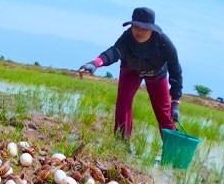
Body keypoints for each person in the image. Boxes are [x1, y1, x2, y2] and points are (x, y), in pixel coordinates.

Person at [78, 7, 183, 139]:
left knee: (165, 113)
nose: (138, 31)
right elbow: (114, 52)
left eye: (143, 28)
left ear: (152, 28)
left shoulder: (163, 43)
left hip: (156, 74)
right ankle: (121, 142)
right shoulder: (128, 36)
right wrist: (95, 63)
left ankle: (171, 149)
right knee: (123, 103)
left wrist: (175, 104)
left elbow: (176, 72)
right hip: (131, 70)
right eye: (135, 27)